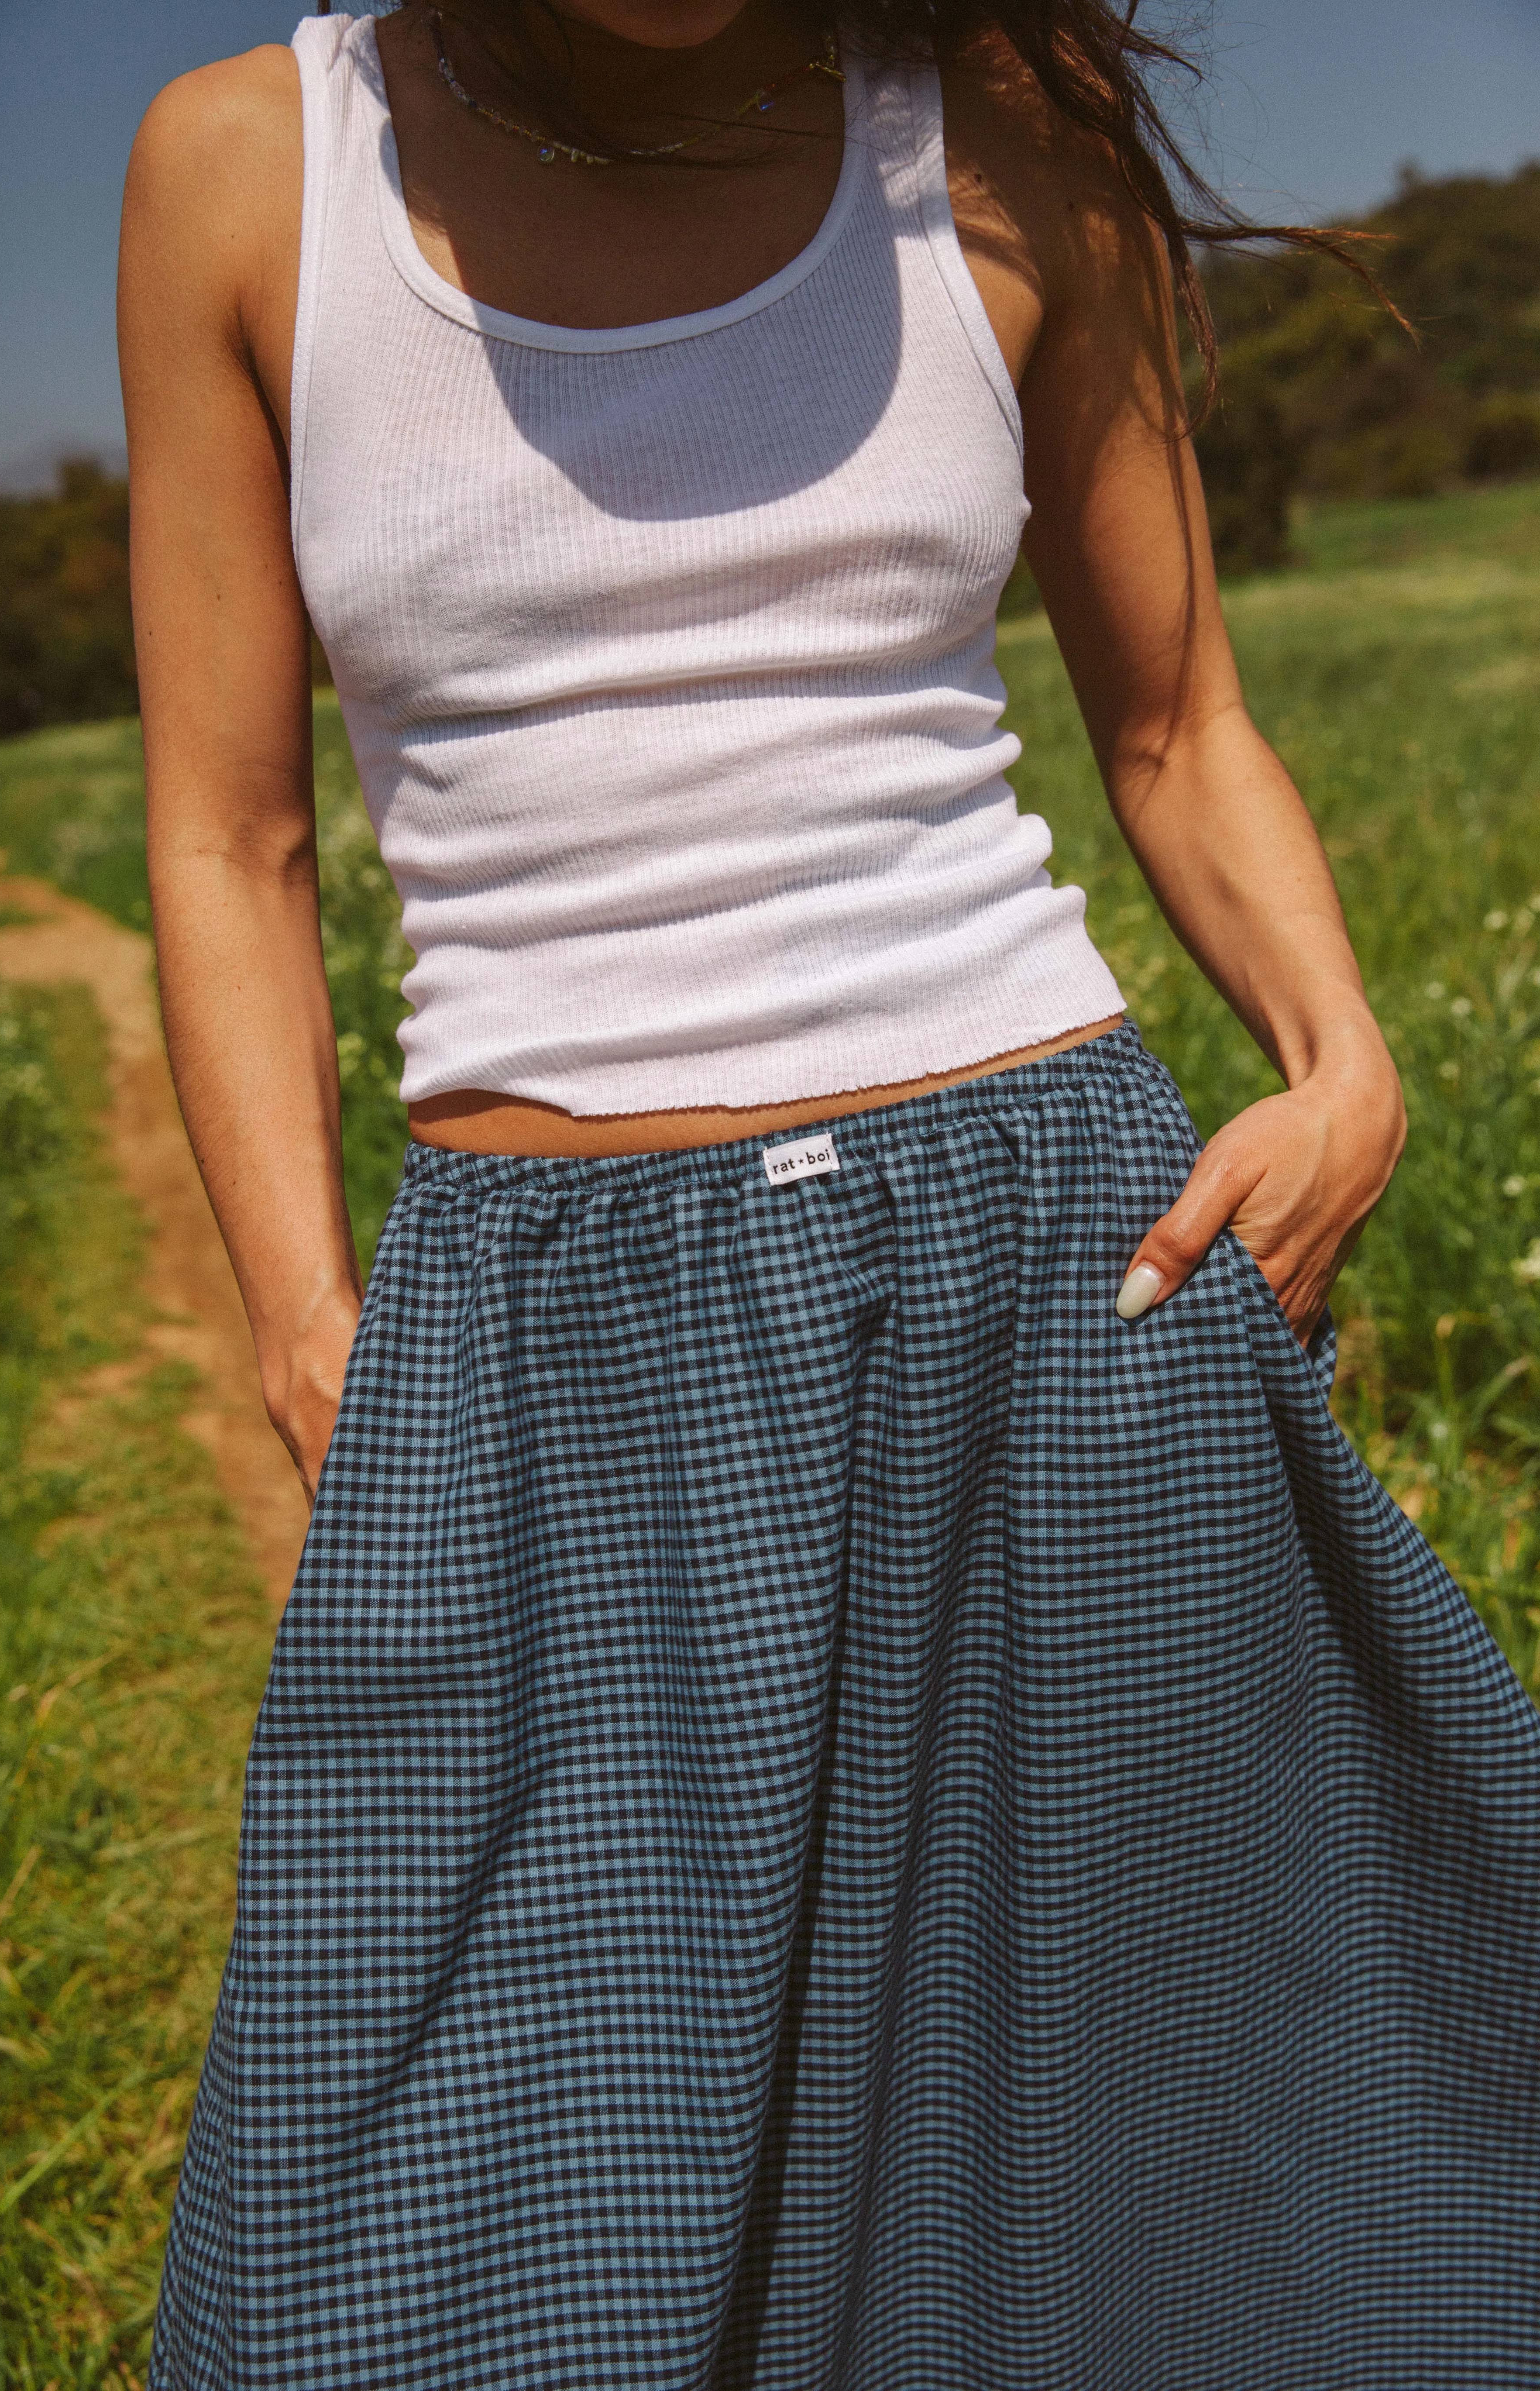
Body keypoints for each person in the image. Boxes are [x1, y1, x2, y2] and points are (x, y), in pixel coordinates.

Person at [120, 0, 1540, 2383]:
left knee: (1169, 2203)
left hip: (1052, 1276)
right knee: (438, 2223)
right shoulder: (249, 170)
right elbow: (224, 829)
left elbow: (1178, 721)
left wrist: (1348, 1059)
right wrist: (307, 1325)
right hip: (538, 1325)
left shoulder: (999, 131)